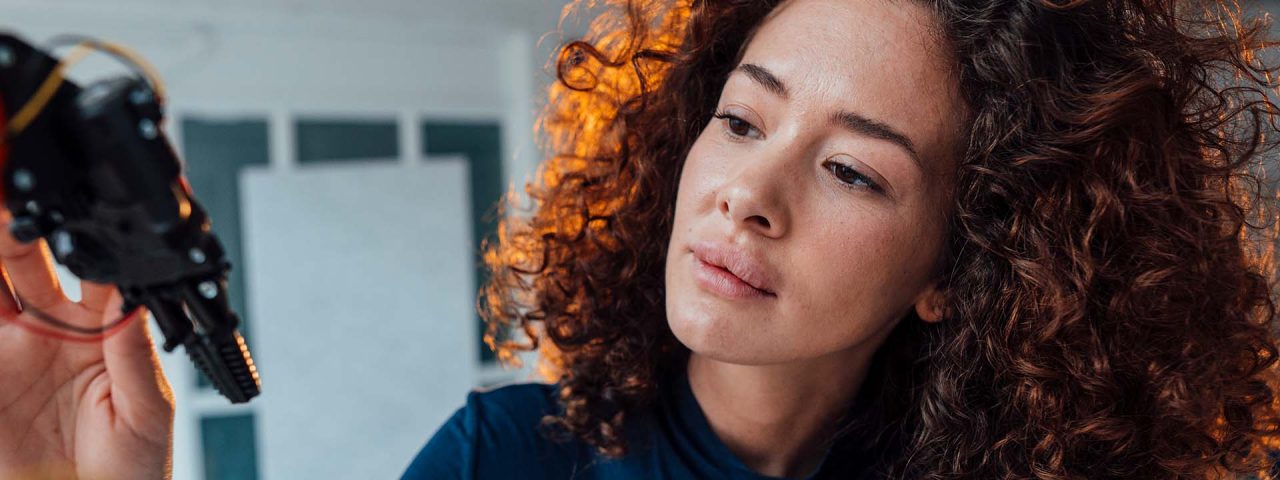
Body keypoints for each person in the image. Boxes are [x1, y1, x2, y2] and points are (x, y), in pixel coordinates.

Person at [2, 0, 1279, 479]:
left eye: (848, 169)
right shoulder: (497, 461)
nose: (744, 194)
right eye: (738, 120)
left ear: (961, 268)